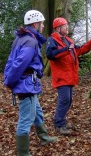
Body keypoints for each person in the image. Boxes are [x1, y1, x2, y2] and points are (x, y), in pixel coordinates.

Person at [4, 10, 57, 155]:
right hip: (25, 85)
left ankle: (44, 137)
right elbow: (19, 64)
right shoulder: (31, 41)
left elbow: (11, 61)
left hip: (27, 83)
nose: (43, 25)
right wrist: (10, 81)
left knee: (37, 112)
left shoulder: (21, 39)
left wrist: (8, 78)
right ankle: (23, 153)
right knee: (26, 119)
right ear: (36, 23)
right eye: (42, 23)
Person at [46, 17, 91, 135]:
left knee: (68, 101)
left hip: (69, 77)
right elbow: (50, 54)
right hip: (61, 77)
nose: (67, 28)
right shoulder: (52, 40)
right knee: (65, 100)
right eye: (65, 26)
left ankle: (61, 122)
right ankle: (59, 124)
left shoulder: (68, 40)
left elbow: (80, 50)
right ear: (58, 28)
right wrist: (66, 49)